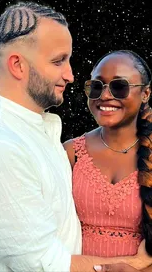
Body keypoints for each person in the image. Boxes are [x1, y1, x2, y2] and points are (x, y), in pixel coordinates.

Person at [0, 2, 151, 272]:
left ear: (146, 93)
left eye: (120, 86)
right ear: (17, 65)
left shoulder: (42, 133)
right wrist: (136, 263)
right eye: (58, 61)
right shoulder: (7, 147)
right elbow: (46, 264)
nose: (70, 75)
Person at [64, 50, 152, 271]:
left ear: (146, 94)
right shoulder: (71, 152)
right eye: (96, 86)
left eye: (119, 86)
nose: (104, 96)